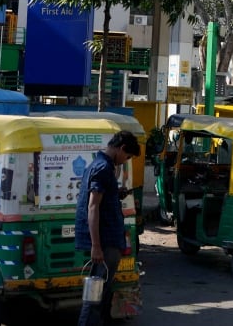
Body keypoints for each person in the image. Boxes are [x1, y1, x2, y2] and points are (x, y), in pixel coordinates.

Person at [75, 131, 140, 326]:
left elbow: (100, 202)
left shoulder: (98, 165)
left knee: (101, 293)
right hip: (105, 242)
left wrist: (116, 192)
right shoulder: (103, 168)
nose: (124, 161)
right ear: (121, 149)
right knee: (95, 293)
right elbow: (92, 206)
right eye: (127, 157)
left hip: (107, 239)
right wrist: (96, 246)